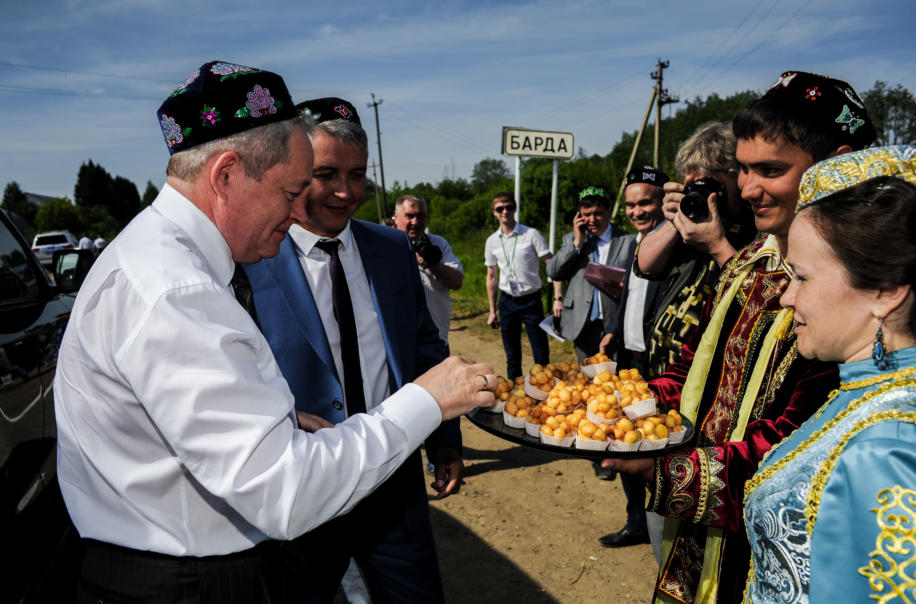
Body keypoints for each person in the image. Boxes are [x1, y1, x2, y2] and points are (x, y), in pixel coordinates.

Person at [54, 63, 496, 604]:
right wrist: (426, 401)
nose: (298, 211)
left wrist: (281, 423)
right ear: (226, 174)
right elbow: (285, 492)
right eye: (291, 190)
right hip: (189, 582)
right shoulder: (177, 292)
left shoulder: (155, 257)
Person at [601, 71, 877, 604]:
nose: (747, 189)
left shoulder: (850, 290)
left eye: (769, 170)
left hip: (769, 544)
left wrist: (667, 471)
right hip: (705, 528)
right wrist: (625, 405)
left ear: (838, 164)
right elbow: (695, 367)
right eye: (744, 169)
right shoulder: (751, 261)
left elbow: (798, 443)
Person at [242, 98, 463, 604]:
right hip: (304, 487)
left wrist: (444, 436)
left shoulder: (391, 248)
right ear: (293, 171)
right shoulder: (252, 258)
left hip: (394, 480)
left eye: (358, 174)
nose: (345, 192)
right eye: (326, 174)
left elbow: (424, 345)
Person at [745, 147, 916, 603]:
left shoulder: (886, 452)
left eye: (800, 277)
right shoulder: (863, 392)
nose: (785, 298)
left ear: (884, 291)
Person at [633, 122, 759, 380]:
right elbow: (644, 265)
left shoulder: (757, 229)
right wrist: (676, 217)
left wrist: (716, 245)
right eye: (691, 183)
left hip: (707, 383)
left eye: (707, 183)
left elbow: (759, 300)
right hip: (660, 376)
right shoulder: (687, 224)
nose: (699, 193)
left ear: (737, 177)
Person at [596, 169, 670, 552]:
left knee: (654, 443)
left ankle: (664, 527)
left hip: (660, 367)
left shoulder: (674, 244)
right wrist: (614, 329)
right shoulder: (635, 245)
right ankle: (636, 522)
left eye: (645, 202)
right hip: (629, 360)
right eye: (630, 204)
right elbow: (629, 298)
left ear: (661, 202)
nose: (637, 211)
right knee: (624, 443)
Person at [546, 185, 636, 362]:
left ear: (609, 211)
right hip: (581, 323)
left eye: (598, 213)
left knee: (612, 378)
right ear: (579, 215)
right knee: (584, 379)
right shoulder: (571, 239)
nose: (592, 220)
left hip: (613, 323)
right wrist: (577, 243)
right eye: (586, 214)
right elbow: (553, 272)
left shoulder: (629, 241)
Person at [485, 192, 559, 379]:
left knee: (541, 355)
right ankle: (515, 399)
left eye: (509, 207)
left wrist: (558, 297)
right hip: (507, 302)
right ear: (494, 212)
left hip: (531, 302)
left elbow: (552, 264)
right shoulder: (492, 241)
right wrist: (492, 310)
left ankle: (546, 398)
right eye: (500, 208)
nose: (505, 211)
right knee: (512, 357)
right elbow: (491, 276)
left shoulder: (531, 234)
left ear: (515, 208)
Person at [393, 194, 464, 350]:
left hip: (435, 340)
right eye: (409, 216)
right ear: (396, 217)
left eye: (420, 216)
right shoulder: (385, 247)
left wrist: (433, 264)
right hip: (399, 342)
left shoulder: (439, 244)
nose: (415, 222)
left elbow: (457, 281)